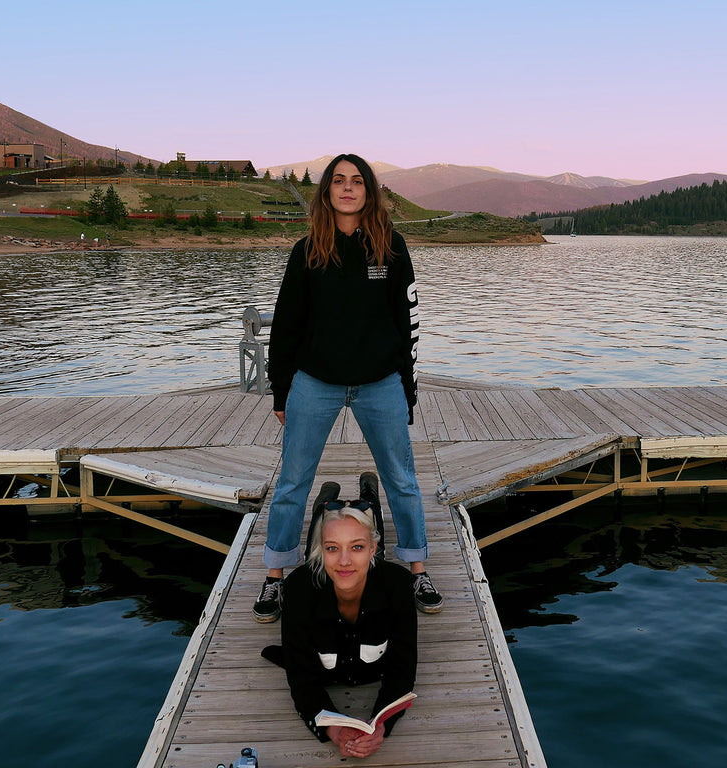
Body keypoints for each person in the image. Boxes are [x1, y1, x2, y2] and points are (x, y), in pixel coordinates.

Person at [253, 153, 443, 623]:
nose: (347, 188)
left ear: (369, 191)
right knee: (293, 481)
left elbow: (409, 325)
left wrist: (408, 391)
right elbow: (287, 329)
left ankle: (416, 568)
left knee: (402, 479)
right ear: (327, 192)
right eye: (338, 181)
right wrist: (281, 392)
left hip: (381, 384)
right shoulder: (307, 250)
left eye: (357, 181)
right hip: (315, 383)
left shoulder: (391, 248)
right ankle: (276, 577)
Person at [263, 486, 417, 758]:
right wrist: (333, 728)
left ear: (373, 549)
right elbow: (302, 678)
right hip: (321, 671)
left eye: (357, 547)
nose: (344, 561)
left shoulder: (398, 585)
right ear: (322, 550)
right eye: (333, 548)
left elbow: (402, 667)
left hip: (374, 672)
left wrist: (381, 725)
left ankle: (365, 495)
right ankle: (324, 503)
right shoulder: (298, 588)